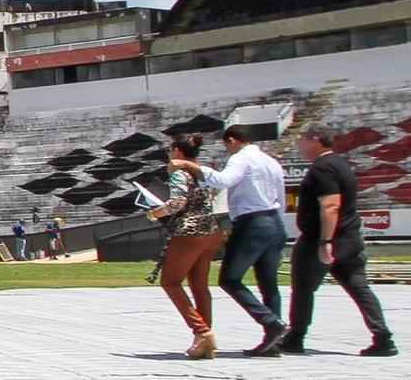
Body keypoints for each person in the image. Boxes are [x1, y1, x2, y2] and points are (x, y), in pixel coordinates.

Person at [280, 126, 398, 357]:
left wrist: (325, 242)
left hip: (322, 239)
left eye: (302, 140)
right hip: (349, 238)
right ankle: (383, 337)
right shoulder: (341, 164)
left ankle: (295, 337)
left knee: (303, 289)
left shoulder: (322, 167)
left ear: (315, 140)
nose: (299, 145)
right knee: (359, 287)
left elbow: (330, 205)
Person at [171, 125, 287, 358]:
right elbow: (281, 196)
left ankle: (271, 322)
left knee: (230, 279)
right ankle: (273, 340)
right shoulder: (270, 161)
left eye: (226, 145)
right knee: (269, 283)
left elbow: (223, 180)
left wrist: (190, 166)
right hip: (274, 220)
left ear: (232, 140)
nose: (227, 149)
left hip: (251, 222)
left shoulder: (241, 158)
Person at [147, 135, 223, 360]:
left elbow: (177, 204)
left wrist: (155, 213)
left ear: (177, 151)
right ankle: (204, 340)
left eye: (170, 150)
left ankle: (202, 331)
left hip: (190, 232)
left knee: (170, 282)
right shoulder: (202, 172)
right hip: (211, 230)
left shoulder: (180, 173)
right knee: (199, 286)